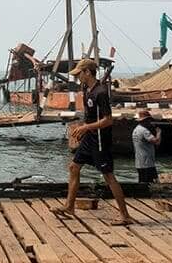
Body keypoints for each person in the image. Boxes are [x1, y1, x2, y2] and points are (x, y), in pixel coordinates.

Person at [55, 58, 134, 225]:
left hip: (99, 139)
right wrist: (82, 129)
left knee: (108, 176)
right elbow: (91, 116)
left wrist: (85, 128)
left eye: (79, 74)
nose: (78, 78)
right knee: (73, 167)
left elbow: (108, 120)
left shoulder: (101, 92)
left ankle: (125, 216)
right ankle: (69, 206)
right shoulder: (87, 90)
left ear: (87, 72)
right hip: (90, 137)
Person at [132, 109, 161, 188]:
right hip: (147, 162)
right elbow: (156, 141)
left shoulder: (136, 130)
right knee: (153, 182)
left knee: (142, 182)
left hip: (139, 161)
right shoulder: (144, 131)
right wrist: (158, 133)